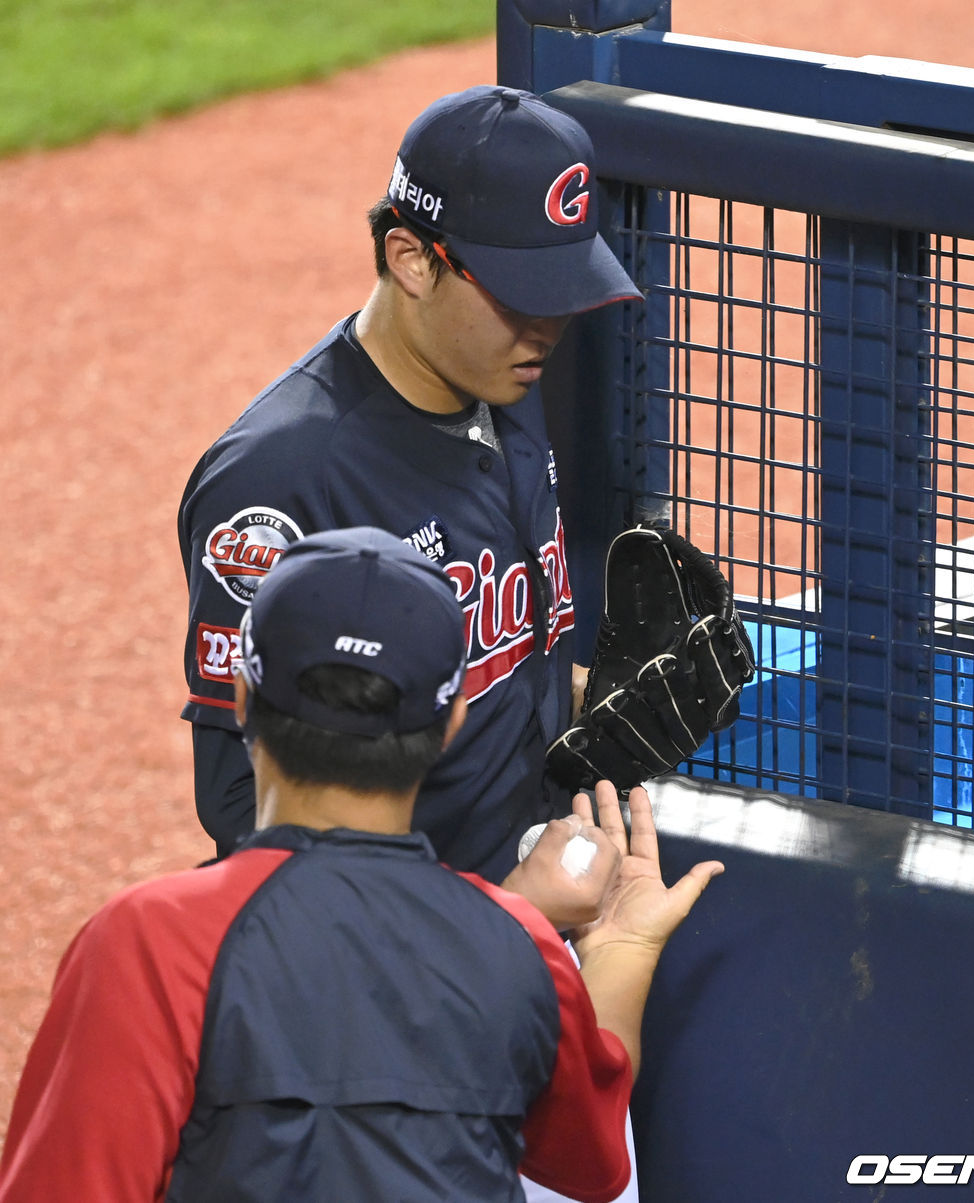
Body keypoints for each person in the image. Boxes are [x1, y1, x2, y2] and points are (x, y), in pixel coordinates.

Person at [0, 528, 723, 1202]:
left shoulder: (151, 943)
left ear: (243, 697)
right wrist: (625, 948)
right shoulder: (515, 945)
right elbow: (591, 1161)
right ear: (452, 723)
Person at [178, 83, 643, 877]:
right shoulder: (283, 479)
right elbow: (244, 806)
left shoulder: (504, 380)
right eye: (521, 296)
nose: (547, 330)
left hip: (525, 899)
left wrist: (597, 701)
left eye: (562, 296)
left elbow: (495, 664)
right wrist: (495, 919)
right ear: (412, 259)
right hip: (391, 959)